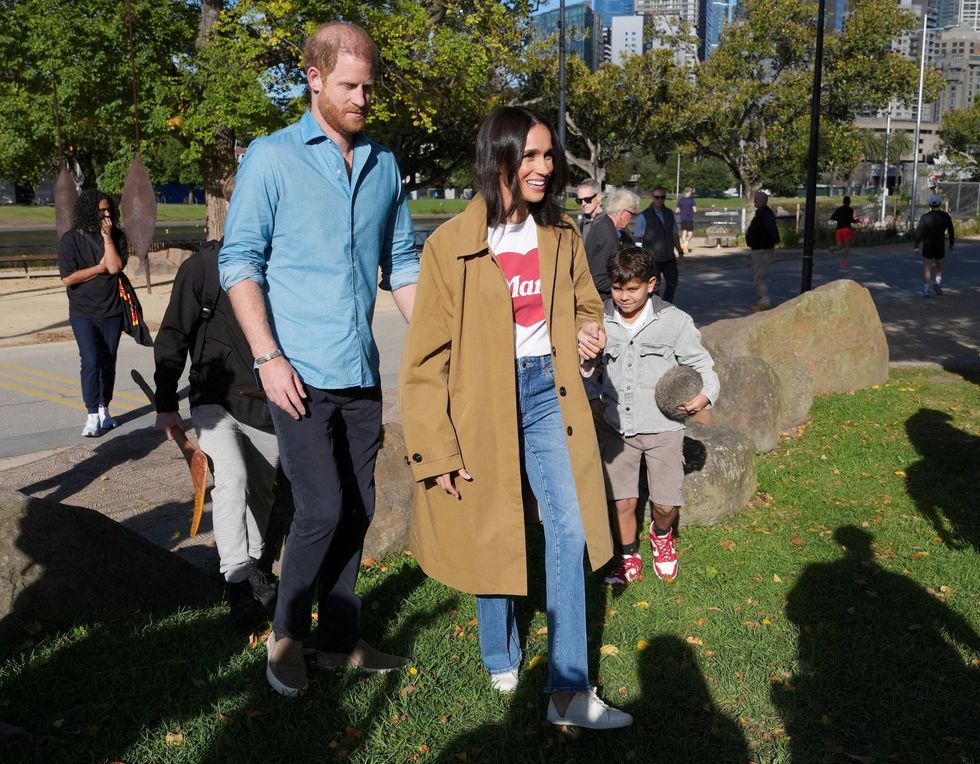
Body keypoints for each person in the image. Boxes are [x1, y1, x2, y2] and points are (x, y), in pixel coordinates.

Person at [399, 106, 633, 730]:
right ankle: (500, 649)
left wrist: (589, 331)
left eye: (548, 155)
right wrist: (436, 450)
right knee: (492, 522)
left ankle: (568, 688)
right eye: (529, 155)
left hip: (547, 394)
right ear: (498, 157)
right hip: (482, 399)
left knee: (569, 527)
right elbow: (423, 359)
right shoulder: (452, 245)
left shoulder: (560, 234)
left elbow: (588, 301)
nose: (543, 167)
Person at [219, 21, 419, 697]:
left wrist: (434, 344)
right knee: (323, 508)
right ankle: (285, 638)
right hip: (296, 373)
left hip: (360, 370)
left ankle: (337, 640)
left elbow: (403, 263)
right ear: (313, 78)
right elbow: (238, 262)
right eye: (349, 86)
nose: (362, 98)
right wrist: (268, 356)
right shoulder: (272, 159)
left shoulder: (385, 164)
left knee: (359, 505)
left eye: (369, 87)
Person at [153, 174, 281, 630]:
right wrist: (166, 402)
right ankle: (238, 584)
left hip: (270, 405)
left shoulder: (285, 260)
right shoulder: (203, 267)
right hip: (214, 399)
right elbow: (172, 336)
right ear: (231, 205)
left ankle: (255, 567)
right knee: (234, 479)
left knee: (263, 495)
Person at [584, 246, 719, 587]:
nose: (624, 297)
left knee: (664, 504)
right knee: (622, 502)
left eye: (632, 289)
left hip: (663, 429)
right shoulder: (600, 319)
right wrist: (590, 395)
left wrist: (705, 395)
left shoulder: (674, 321)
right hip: (618, 429)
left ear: (651, 284)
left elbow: (702, 365)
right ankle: (628, 555)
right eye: (617, 288)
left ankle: (661, 537)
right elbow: (585, 366)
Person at [57, 189, 128, 437]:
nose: (107, 213)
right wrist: (99, 267)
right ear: (89, 211)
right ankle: (90, 414)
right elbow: (69, 278)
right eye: (101, 210)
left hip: (112, 310)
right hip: (82, 313)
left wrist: (107, 238)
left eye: (109, 209)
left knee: (108, 361)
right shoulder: (70, 240)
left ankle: (104, 409)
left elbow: (116, 266)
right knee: (90, 360)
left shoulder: (117, 236)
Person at [584, 188, 639, 302]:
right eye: (632, 214)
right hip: (602, 300)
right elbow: (599, 278)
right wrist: (627, 288)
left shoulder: (606, 225)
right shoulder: (607, 234)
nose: (632, 218)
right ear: (621, 212)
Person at [634, 187, 683, 303]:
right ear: (652, 198)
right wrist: (640, 255)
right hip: (652, 258)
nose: (660, 200)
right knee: (654, 287)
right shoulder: (644, 216)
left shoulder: (669, 214)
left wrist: (680, 252)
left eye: (662, 197)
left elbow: (674, 234)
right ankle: (654, 309)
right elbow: (637, 237)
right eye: (657, 197)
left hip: (669, 257)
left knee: (673, 282)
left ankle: (666, 305)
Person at [745, 190, 780, 311]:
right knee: (759, 275)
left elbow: (771, 229)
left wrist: (774, 240)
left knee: (760, 276)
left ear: (763, 201)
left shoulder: (765, 214)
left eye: (757, 199)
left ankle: (764, 302)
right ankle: (762, 300)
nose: (755, 201)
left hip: (762, 248)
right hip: (760, 247)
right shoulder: (762, 213)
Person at [913, 194, 954, 297]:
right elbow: (951, 231)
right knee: (939, 266)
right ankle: (937, 283)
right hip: (940, 244)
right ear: (939, 204)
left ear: (929, 205)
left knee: (927, 267)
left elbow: (919, 232)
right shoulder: (946, 216)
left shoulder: (925, 217)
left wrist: (916, 245)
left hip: (928, 245)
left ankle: (926, 291)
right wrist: (951, 243)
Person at [829, 195, 858, 269]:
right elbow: (851, 220)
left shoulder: (839, 209)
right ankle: (843, 262)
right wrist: (857, 221)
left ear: (843, 202)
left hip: (838, 230)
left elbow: (832, 217)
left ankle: (831, 249)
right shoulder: (850, 210)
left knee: (839, 246)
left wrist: (839, 220)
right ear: (849, 202)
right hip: (846, 229)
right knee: (847, 246)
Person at [676, 187, 697, 255]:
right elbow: (695, 210)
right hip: (689, 218)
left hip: (682, 218)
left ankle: (684, 246)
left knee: (684, 233)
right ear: (689, 192)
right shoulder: (692, 200)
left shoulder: (681, 200)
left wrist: (681, 210)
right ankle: (685, 245)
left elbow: (676, 210)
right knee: (690, 234)